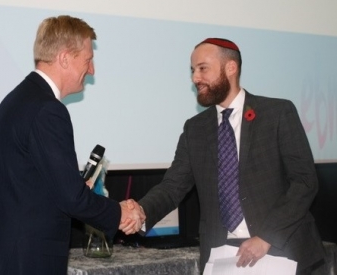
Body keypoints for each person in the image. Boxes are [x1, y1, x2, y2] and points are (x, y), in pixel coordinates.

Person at [125, 38, 326, 274]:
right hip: (223, 258)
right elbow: (172, 187)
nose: (195, 78)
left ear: (231, 68)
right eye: (192, 70)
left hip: (281, 252)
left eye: (202, 68)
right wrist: (141, 211)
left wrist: (266, 237)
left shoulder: (278, 113)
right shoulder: (195, 128)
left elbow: (304, 182)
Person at [0, 15, 144, 275]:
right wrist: (119, 212)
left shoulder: (17, 100)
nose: (91, 70)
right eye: (88, 60)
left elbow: (28, 186)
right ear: (64, 58)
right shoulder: (48, 110)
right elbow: (72, 199)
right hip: (23, 263)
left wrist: (72, 187)